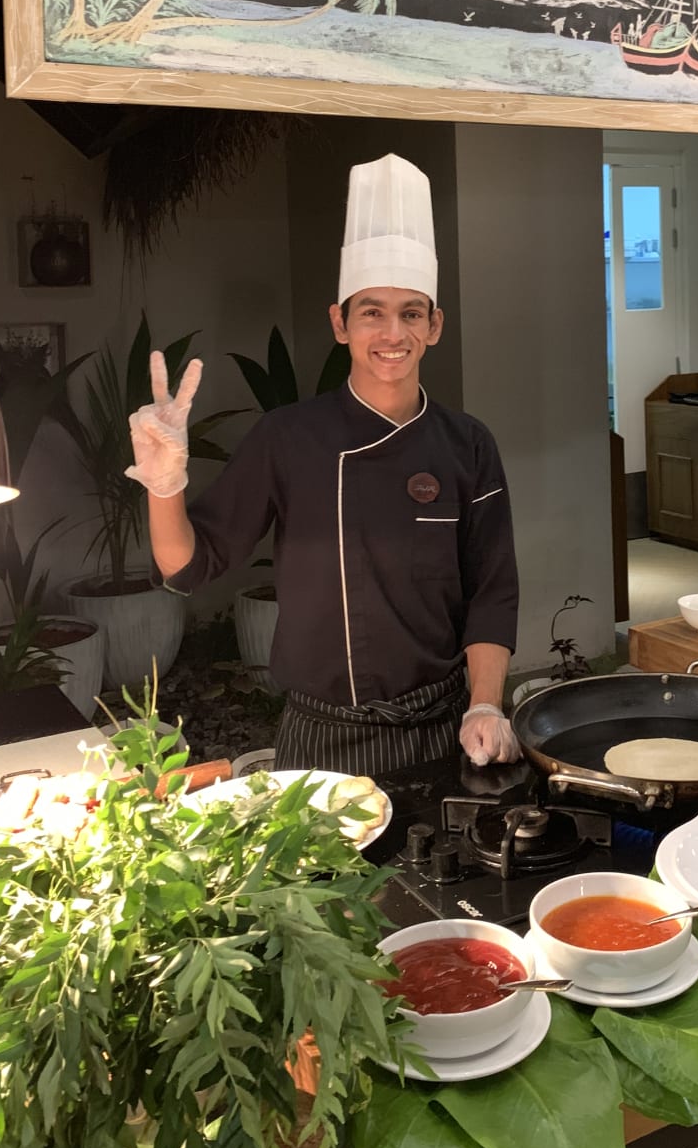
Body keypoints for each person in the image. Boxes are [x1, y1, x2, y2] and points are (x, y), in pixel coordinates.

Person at [126, 153, 522, 773]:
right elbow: (189, 565)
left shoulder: (468, 444)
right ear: (340, 323)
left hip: (444, 727)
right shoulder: (287, 437)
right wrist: (164, 482)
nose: (392, 333)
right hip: (322, 734)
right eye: (372, 312)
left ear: (435, 325)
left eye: (411, 312)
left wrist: (486, 705)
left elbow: (492, 592)